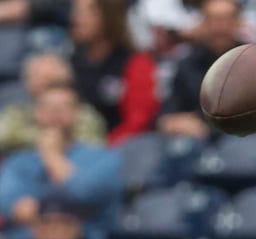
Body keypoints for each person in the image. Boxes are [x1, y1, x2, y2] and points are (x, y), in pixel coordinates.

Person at [0, 82, 123, 239]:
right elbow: (9, 203)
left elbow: (85, 193)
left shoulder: (103, 158)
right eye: (48, 106)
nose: (55, 112)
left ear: (77, 114)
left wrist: (52, 155)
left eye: (64, 106)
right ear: (36, 113)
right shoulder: (19, 161)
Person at [69, 0, 159, 143]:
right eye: (77, 12)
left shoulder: (135, 63)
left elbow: (138, 122)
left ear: (109, 15)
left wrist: (103, 148)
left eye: (87, 12)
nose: (76, 19)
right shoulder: (72, 60)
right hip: (74, 148)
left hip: (117, 150)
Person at [157, 0, 242, 138]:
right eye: (215, 20)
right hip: (194, 139)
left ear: (238, 23)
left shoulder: (253, 62)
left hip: (241, 136)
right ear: (203, 24)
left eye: (227, 20)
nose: (221, 28)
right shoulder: (187, 65)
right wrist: (178, 122)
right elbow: (166, 116)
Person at [0, 52, 108, 154]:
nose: (43, 85)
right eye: (36, 78)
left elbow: (93, 148)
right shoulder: (17, 113)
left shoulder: (84, 114)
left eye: (51, 80)